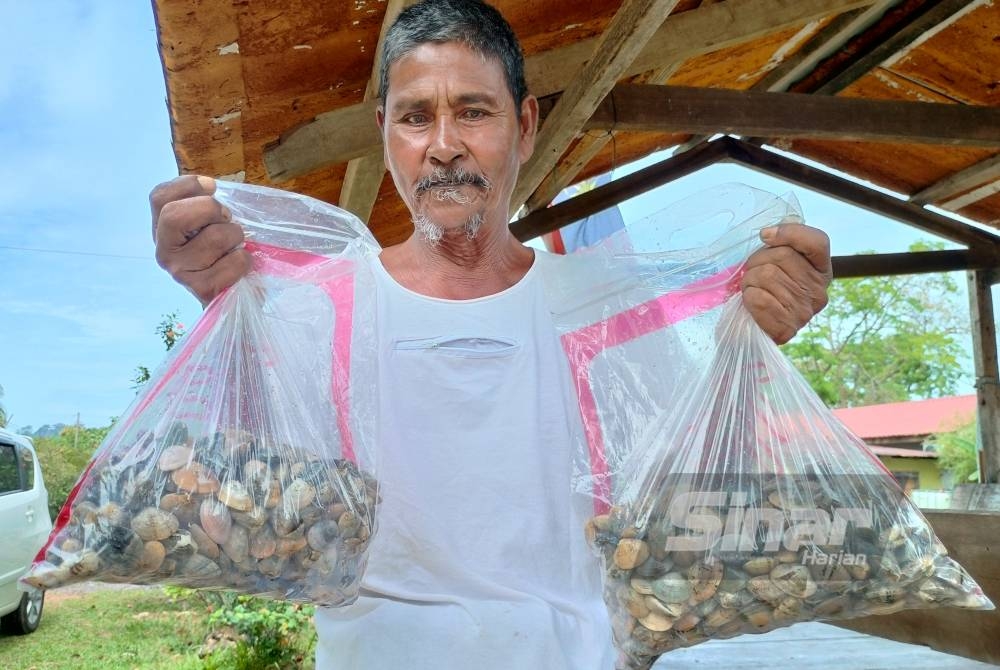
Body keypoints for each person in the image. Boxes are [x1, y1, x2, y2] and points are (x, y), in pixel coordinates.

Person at [150, 1, 832, 667]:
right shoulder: (319, 310)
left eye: (474, 111)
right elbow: (241, 503)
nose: (444, 146)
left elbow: (684, 497)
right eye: (417, 117)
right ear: (385, 130)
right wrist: (218, 299)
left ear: (526, 125)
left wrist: (756, 341)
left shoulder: (602, 308)